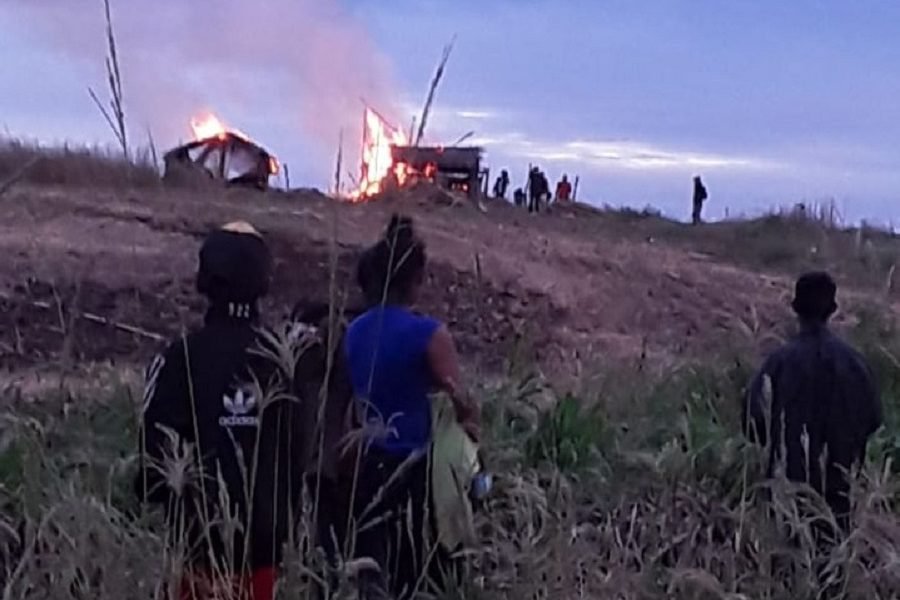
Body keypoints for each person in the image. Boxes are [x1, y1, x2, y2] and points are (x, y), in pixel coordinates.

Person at [136, 222, 307, 600]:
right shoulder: (287, 363)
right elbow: (304, 456)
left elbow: (152, 467)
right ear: (264, 282)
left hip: (197, 559)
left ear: (203, 279)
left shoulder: (178, 359)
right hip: (270, 562)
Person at [344, 215, 480, 600]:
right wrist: (471, 432)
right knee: (418, 574)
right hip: (415, 473)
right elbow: (461, 400)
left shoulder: (354, 331)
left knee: (372, 572)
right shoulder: (428, 334)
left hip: (367, 463)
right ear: (415, 280)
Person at [743, 272, 882, 533]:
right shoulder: (855, 364)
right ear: (832, 309)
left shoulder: (778, 362)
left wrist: (782, 449)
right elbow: (873, 419)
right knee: (834, 566)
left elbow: (752, 421)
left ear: (795, 309)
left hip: (787, 495)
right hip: (840, 498)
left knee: (785, 567)